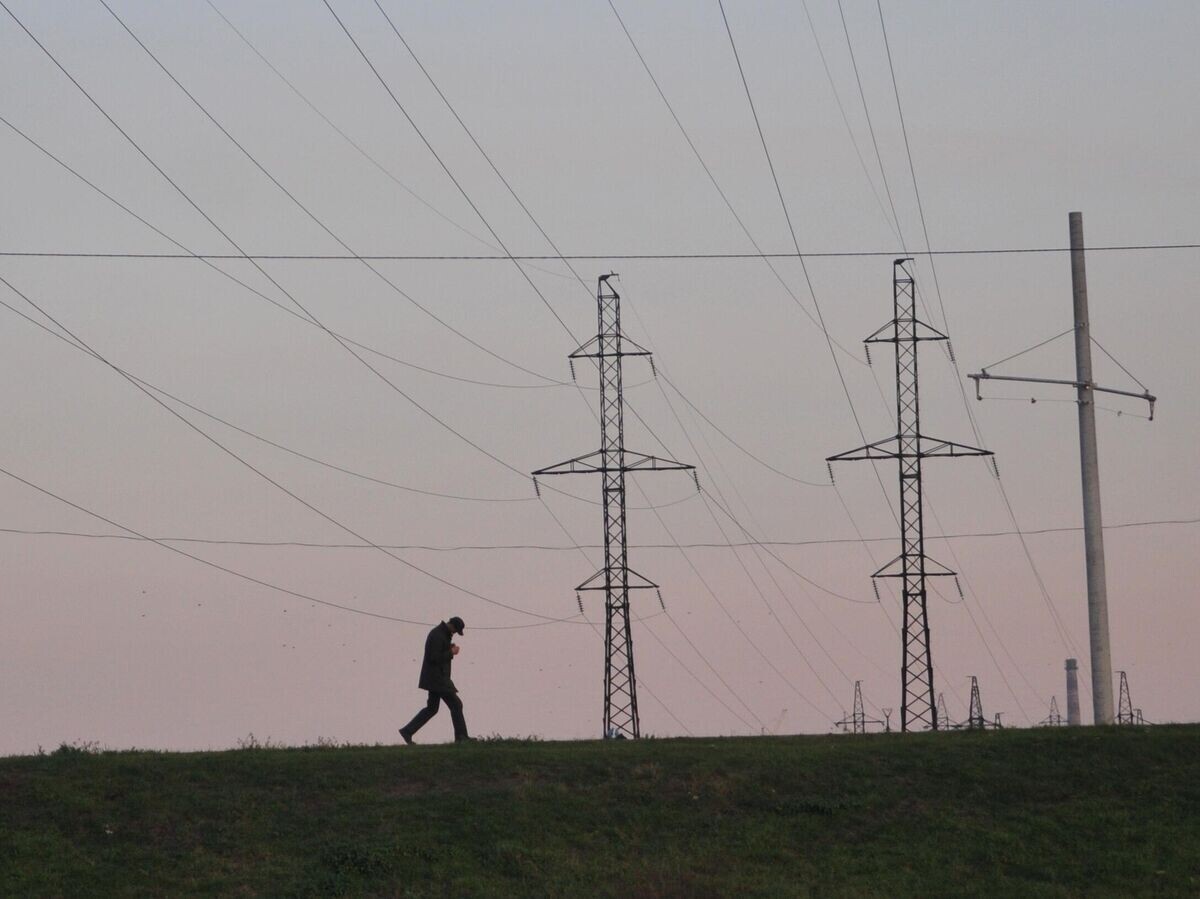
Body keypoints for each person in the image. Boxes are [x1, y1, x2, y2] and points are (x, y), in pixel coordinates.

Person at [399, 616, 470, 744]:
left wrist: (448, 648)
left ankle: (407, 731)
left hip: (434, 678)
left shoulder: (440, 634)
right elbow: (434, 657)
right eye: (455, 630)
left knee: (432, 709)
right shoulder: (437, 635)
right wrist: (451, 652)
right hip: (438, 679)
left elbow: (437, 652)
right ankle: (461, 737)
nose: (454, 633)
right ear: (451, 625)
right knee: (456, 705)